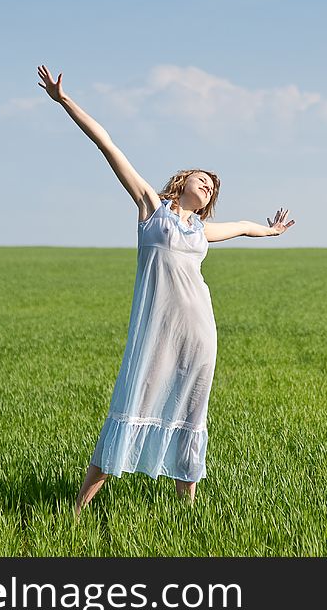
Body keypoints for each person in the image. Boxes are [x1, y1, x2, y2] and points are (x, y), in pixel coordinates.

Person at [36, 65, 295, 513]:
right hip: (157, 330)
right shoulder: (151, 209)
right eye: (201, 179)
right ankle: (78, 507)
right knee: (132, 403)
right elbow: (107, 144)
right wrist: (64, 101)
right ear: (181, 183)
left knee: (192, 412)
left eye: (212, 186)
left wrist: (270, 231)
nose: (207, 186)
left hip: (198, 330)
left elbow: (245, 227)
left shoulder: (202, 230)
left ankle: (186, 509)